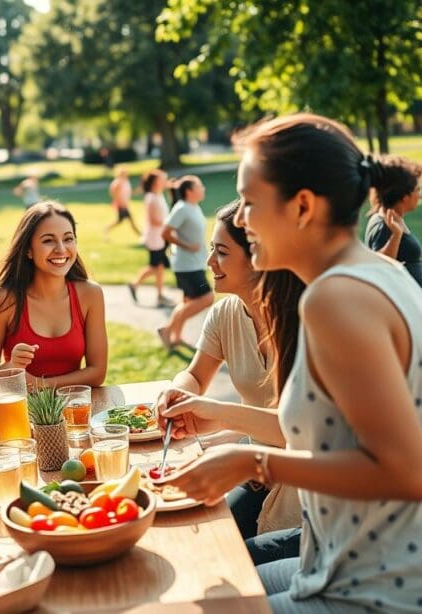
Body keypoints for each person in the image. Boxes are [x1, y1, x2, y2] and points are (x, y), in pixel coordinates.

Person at [157, 114, 422, 611]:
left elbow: (407, 470)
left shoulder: (335, 297)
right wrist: (230, 433)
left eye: (251, 204)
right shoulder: (376, 271)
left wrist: (251, 460)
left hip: (377, 587)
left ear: (301, 206)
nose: (243, 220)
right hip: (330, 561)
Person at [158, 200, 304, 540]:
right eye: (211, 249)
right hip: (257, 472)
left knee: (238, 555)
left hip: (307, 486)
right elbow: (195, 374)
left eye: (221, 252)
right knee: (200, 534)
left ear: (257, 257)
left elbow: (300, 430)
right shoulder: (225, 314)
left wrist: (220, 416)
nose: (209, 262)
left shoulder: (303, 319)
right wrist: (179, 391)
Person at [0, 201, 107, 391]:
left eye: (68, 239)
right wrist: (10, 368)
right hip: (21, 412)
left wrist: (42, 385)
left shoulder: (90, 294)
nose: (61, 249)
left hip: (75, 410)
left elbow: (97, 372)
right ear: (28, 249)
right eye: (48, 240)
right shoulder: (2, 301)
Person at [157, 175, 214, 349]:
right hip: (186, 265)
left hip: (195, 263)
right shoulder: (181, 208)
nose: (203, 189)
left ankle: (175, 337)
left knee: (188, 302)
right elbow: (165, 233)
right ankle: (167, 329)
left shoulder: (193, 207)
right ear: (189, 191)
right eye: (200, 186)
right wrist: (186, 245)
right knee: (207, 298)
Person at [364, 154, 422, 287]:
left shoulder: (393, 218)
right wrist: (396, 235)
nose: (420, 195)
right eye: (417, 190)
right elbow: (378, 268)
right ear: (404, 197)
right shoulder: (383, 225)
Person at [127, 169, 173, 308]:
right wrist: (171, 223)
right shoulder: (151, 198)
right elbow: (154, 221)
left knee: (159, 267)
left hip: (160, 237)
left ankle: (159, 295)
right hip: (154, 239)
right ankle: (135, 284)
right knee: (156, 266)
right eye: (161, 180)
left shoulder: (158, 195)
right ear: (154, 183)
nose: (164, 182)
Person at [104, 167, 140, 237]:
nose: (127, 174)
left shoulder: (125, 182)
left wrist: (137, 191)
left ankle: (107, 229)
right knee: (130, 220)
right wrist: (119, 202)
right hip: (121, 205)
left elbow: (128, 192)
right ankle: (141, 235)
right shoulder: (118, 182)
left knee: (120, 221)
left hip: (124, 204)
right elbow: (113, 192)